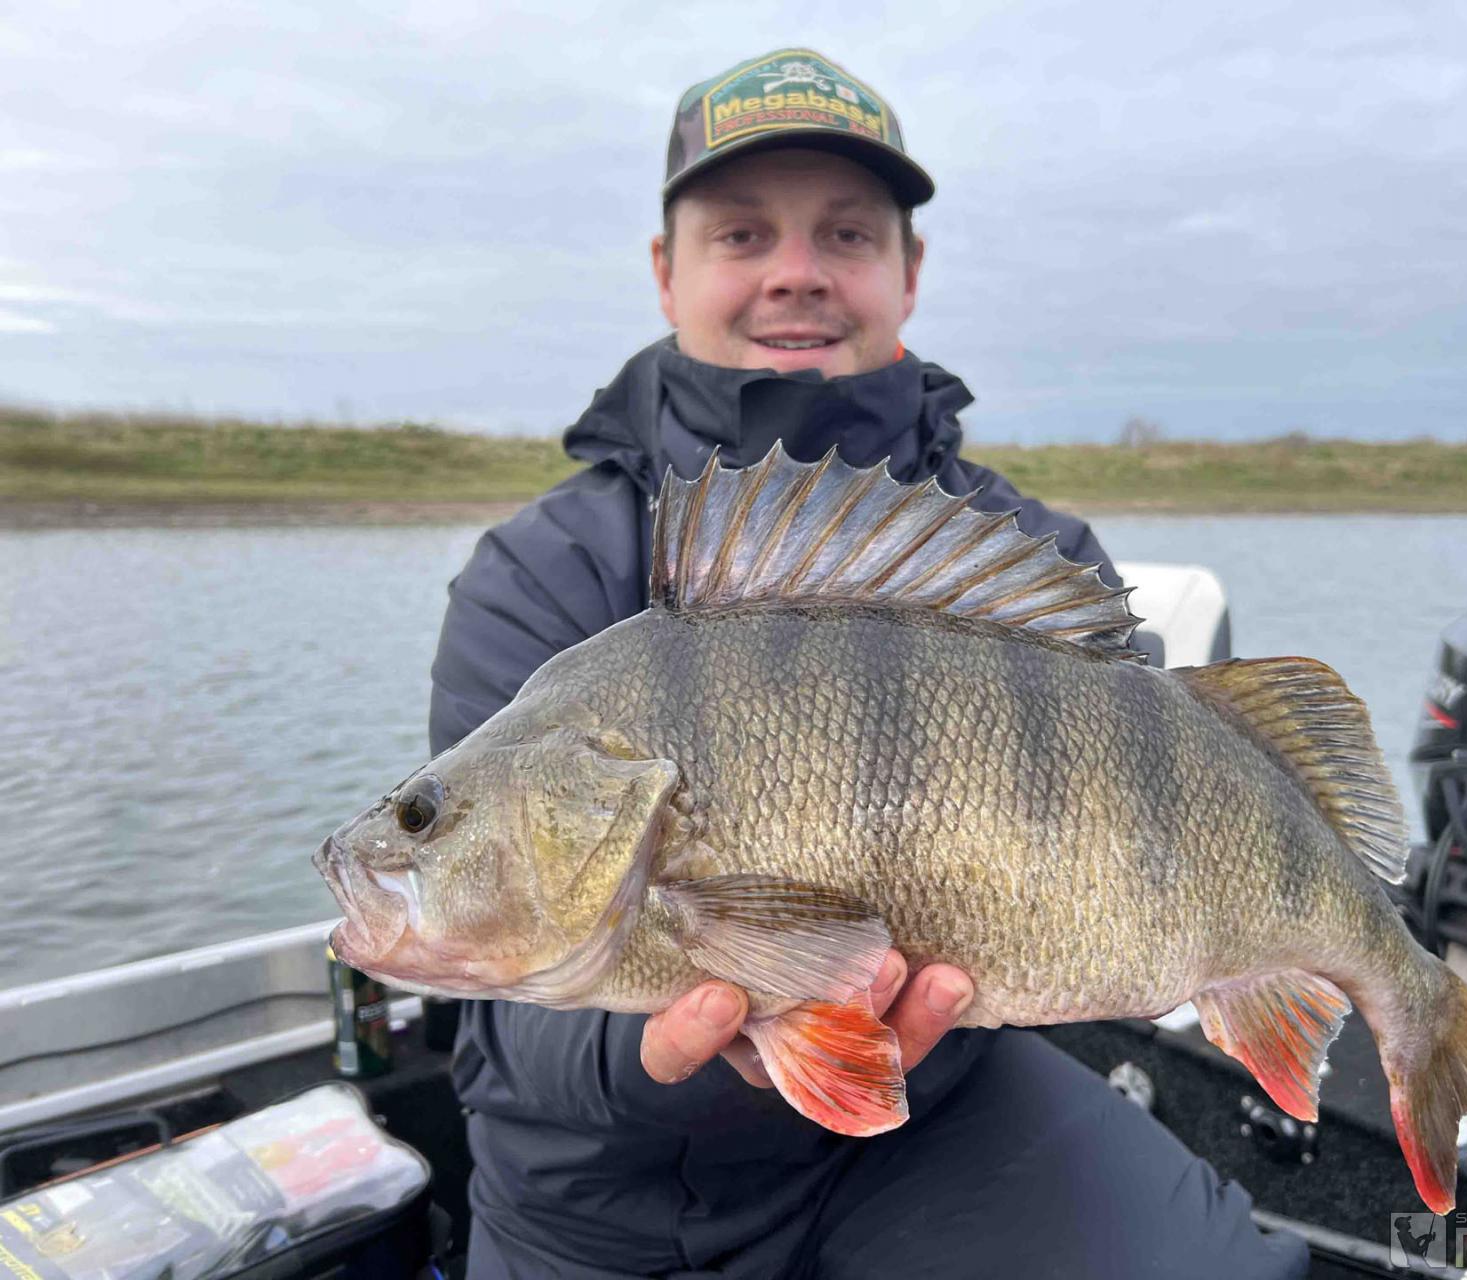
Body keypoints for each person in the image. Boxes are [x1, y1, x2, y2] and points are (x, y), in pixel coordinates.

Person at [429, 47, 1308, 1280]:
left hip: (933, 1116)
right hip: (597, 1186)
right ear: (665, 268)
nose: (796, 271)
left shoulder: (1030, 560)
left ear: (909, 270)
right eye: (743, 234)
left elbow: (1123, 850)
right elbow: (505, 1027)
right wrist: (698, 1036)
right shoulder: (541, 575)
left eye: (844, 233)